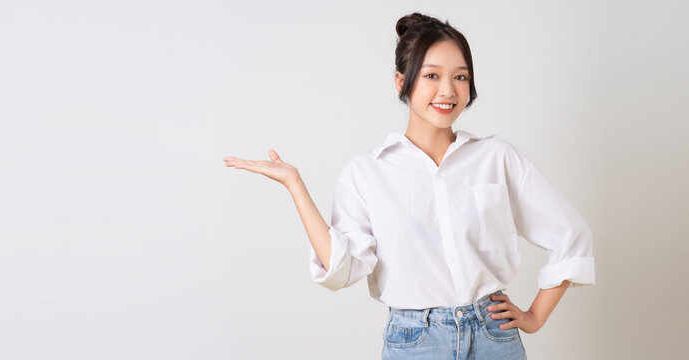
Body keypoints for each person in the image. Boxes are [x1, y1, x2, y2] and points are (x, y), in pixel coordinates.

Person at [223, 12, 595, 360]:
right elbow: (342, 267)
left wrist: (534, 316)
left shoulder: (496, 157)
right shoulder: (367, 172)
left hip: (493, 337)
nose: (448, 90)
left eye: (460, 76)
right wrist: (295, 185)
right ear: (402, 81)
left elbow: (571, 234)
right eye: (432, 75)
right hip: (417, 342)